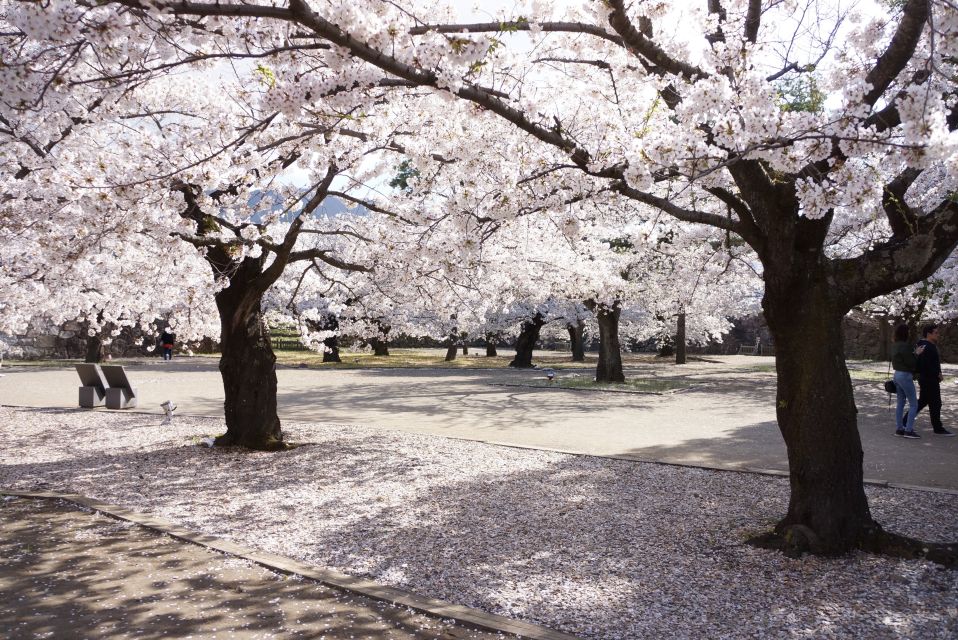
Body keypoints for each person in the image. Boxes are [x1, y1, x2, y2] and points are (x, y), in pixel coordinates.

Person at [913, 324, 954, 436]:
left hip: (927, 378)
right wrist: (937, 374)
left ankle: (905, 421)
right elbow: (925, 364)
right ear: (929, 334)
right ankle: (938, 428)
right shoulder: (926, 346)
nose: (938, 334)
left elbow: (933, 363)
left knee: (923, 402)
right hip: (929, 379)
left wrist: (938, 372)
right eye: (936, 332)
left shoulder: (926, 345)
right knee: (936, 403)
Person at [891, 324, 923, 439]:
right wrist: (917, 354)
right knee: (914, 403)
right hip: (905, 375)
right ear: (906, 333)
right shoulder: (906, 346)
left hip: (897, 375)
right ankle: (908, 430)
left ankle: (900, 428)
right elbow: (911, 363)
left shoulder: (894, 345)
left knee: (900, 402)